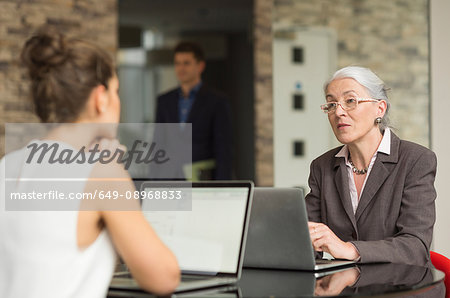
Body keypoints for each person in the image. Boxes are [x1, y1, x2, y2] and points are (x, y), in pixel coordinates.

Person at [0, 27, 180, 297]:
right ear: (100, 98)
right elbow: (164, 277)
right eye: (116, 91)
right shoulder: (102, 173)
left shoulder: (7, 164)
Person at [306, 66, 437, 267]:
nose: (338, 112)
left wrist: (349, 249)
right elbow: (305, 238)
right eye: (331, 104)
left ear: (380, 108)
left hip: (403, 288)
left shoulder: (416, 160)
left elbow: (415, 246)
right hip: (346, 287)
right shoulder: (321, 166)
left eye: (350, 101)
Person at [155, 41, 232, 180]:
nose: (181, 68)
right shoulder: (164, 101)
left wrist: (222, 186)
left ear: (200, 66)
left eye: (186, 63)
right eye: (177, 63)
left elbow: (223, 149)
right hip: (171, 180)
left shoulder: (217, 101)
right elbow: (159, 143)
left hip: (203, 179)